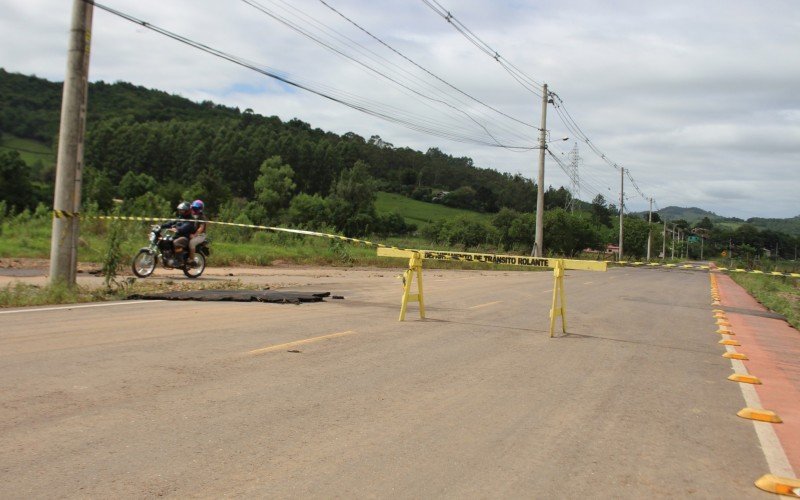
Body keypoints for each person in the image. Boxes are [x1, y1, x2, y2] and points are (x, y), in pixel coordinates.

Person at [187, 199, 207, 265]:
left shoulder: (202, 217)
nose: (193, 210)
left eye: (195, 208)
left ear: (200, 209)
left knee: (191, 242)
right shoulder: (192, 216)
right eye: (192, 208)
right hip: (193, 234)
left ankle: (192, 259)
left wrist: (194, 235)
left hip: (200, 235)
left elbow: (201, 228)